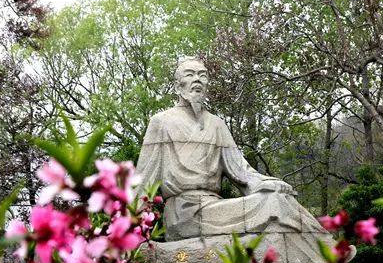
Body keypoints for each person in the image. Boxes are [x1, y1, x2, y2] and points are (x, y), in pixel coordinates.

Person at [136, 58, 327, 241]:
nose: (197, 80)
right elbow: (143, 181)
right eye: (190, 74)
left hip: (215, 206)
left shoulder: (217, 124)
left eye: (202, 75)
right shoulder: (161, 122)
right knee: (275, 204)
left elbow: (240, 170)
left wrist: (266, 183)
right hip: (183, 213)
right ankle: (329, 255)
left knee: (278, 197)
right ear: (178, 86)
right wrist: (132, 232)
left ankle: (326, 254)